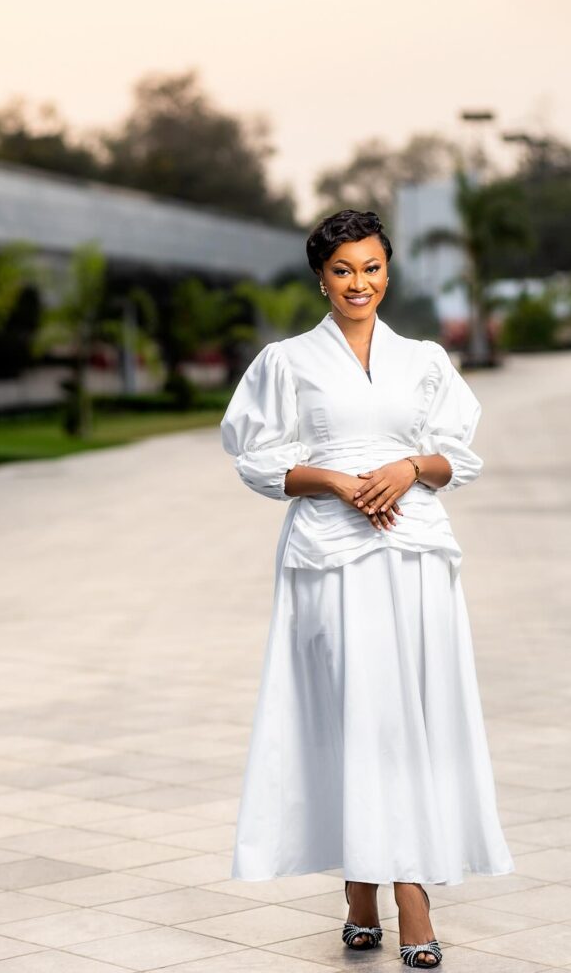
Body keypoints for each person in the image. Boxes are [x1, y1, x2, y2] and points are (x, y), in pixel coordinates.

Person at [220, 209, 514, 968]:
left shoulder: (422, 359)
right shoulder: (285, 362)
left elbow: (457, 455)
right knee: (352, 719)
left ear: (389, 271)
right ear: (320, 275)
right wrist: (335, 481)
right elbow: (256, 460)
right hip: (328, 557)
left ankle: (405, 896)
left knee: (409, 719)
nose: (360, 282)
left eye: (372, 267)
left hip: (413, 552)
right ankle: (361, 890)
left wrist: (407, 469)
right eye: (344, 269)